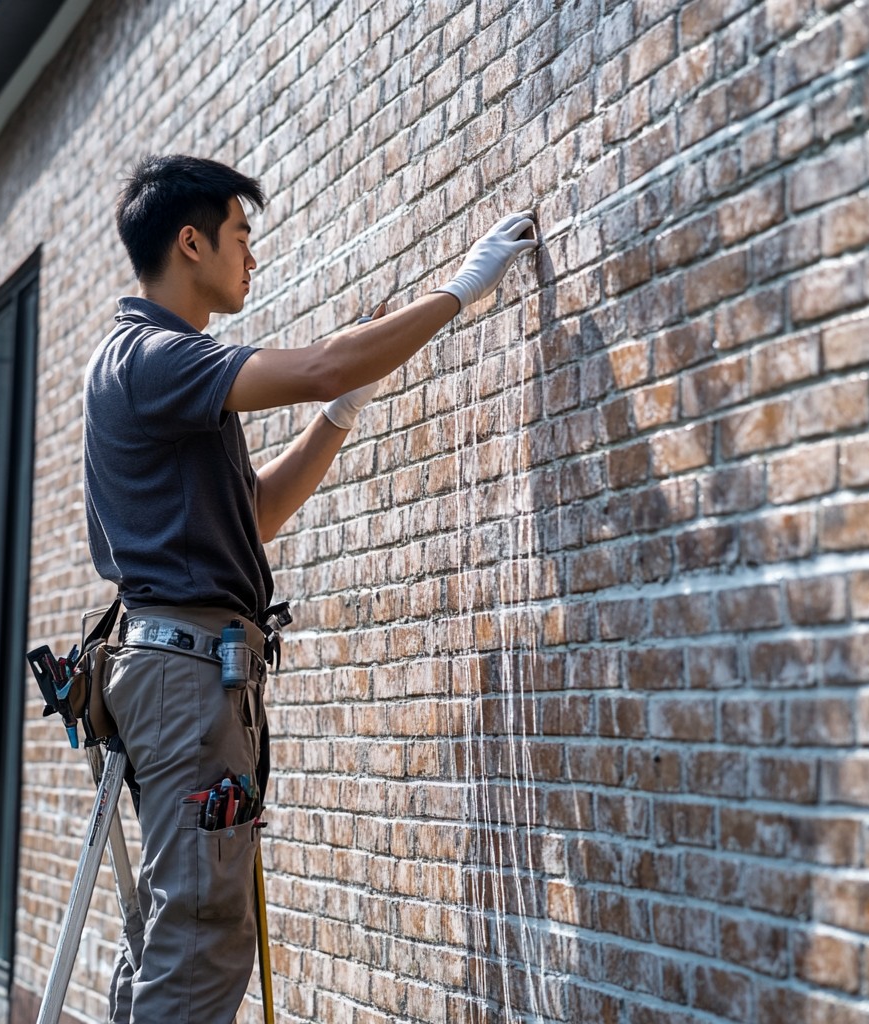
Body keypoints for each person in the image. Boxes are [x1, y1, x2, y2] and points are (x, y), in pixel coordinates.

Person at [82, 152, 537, 1023]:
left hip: (175, 669)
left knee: (177, 929)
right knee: (201, 937)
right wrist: (459, 292)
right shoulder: (157, 357)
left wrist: (339, 417)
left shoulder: (144, 367)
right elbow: (322, 362)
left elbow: (250, 516)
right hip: (184, 680)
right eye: (242, 236)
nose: (252, 257)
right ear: (191, 242)